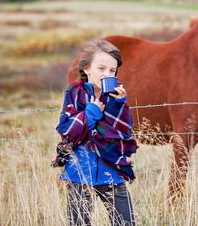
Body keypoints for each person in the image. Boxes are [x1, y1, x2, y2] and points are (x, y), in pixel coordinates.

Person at [52, 38, 138, 226]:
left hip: (111, 171)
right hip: (80, 172)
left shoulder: (115, 98)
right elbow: (67, 131)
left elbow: (124, 132)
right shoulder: (74, 94)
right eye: (101, 68)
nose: (107, 74)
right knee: (79, 223)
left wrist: (117, 104)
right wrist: (90, 112)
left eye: (112, 71)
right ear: (86, 69)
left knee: (125, 222)